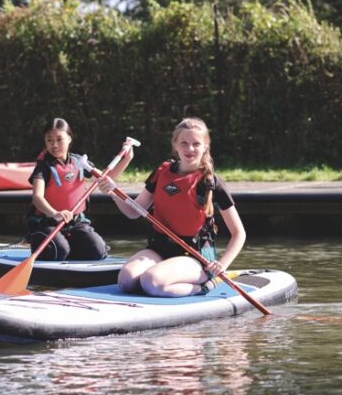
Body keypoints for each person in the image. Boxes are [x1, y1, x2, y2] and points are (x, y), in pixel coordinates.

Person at [98, 117, 246, 297]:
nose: (189, 149)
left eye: (196, 144)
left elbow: (239, 233)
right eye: (184, 143)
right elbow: (133, 212)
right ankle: (164, 278)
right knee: (126, 281)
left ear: (205, 146)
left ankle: (205, 286)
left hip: (195, 257)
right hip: (159, 249)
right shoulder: (162, 172)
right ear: (175, 145)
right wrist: (113, 192)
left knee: (151, 282)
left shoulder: (211, 183)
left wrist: (222, 264)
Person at [27, 117, 131, 261]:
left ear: (69, 138)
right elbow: (37, 198)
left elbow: (108, 177)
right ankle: (56, 247)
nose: (54, 145)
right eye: (49, 140)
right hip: (48, 223)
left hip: (75, 223)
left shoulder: (79, 161)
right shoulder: (43, 166)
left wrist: (127, 159)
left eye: (59, 139)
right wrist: (54, 213)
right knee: (58, 252)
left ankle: (68, 246)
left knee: (98, 252)